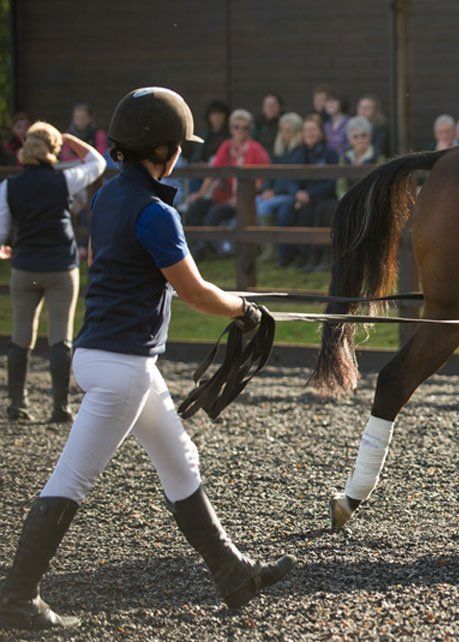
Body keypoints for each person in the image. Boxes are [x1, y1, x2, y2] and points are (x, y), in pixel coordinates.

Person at [0, 87, 293, 632]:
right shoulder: (157, 213)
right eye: (178, 146)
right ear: (162, 150)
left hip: (107, 355)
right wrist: (244, 310)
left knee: (179, 458)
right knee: (70, 480)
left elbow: (132, 272)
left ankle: (233, 573)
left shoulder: (108, 197)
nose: (180, 153)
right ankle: (18, 597)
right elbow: (197, 292)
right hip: (123, 367)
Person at [0, 122, 105, 423]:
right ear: (54, 149)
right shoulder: (64, 180)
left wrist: (6, 247)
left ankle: (17, 405)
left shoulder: (9, 186)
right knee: (61, 336)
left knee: (21, 335)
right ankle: (60, 407)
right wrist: (72, 139)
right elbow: (97, 163)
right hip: (60, 268)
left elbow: (2, 232)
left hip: (26, 270)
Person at [184, 109, 270, 258]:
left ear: (250, 130)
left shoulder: (256, 149)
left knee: (215, 212)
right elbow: (214, 172)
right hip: (224, 195)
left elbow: (262, 179)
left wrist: (242, 197)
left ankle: (204, 248)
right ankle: (195, 247)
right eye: (236, 127)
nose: (240, 131)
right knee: (196, 207)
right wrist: (200, 194)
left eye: (245, 128)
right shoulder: (227, 146)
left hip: (246, 198)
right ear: (231, 129)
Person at [280, 114, 338, 271]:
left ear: (321, 132)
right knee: (289, 212)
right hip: (301, 197)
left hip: (323, 197)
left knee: (316, 212)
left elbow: (331, 182)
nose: (309, 133)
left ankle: (320, 257)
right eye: (306, 130)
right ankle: (298, 257)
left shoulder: (330, 153)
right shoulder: (298, 153)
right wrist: (298, 194)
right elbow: (290, 179)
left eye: (313, 129)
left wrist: (310, 195)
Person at [255, 112, 304, 247]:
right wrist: (266, 189)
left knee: (264, 206)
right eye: (283, 130)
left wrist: (274, 192)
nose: (285, 134)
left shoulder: (299, 151)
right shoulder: (279, 150)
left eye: (289, 131)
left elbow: (291, 179)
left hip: (289, 194)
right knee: (254, 201)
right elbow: (270, 173)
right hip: (275, 192)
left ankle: (271, 247)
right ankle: (259, 245)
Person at [336, 116, 379, 197]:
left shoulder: (378, 156)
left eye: (363, 135)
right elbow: (341, 186)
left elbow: (380, 184)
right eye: (355, 137)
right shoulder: (344, 158)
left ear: (370, 137)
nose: (360, 139)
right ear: (349, 141)